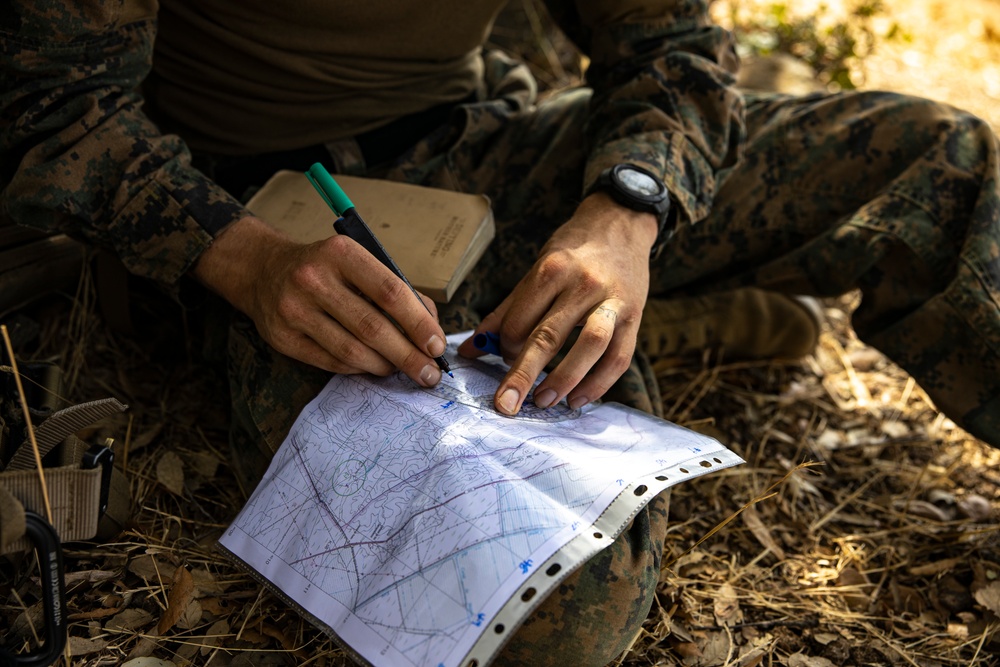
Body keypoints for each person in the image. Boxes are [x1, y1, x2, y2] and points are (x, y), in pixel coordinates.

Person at [2, 1, 998, 665]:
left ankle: (658, 295)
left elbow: (674, 46)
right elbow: (53, 108)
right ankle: (693, 314)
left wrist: (625, 208)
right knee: (539, 604)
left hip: (487, 149)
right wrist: (237, 256)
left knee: (941, 166)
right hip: (258, 205)